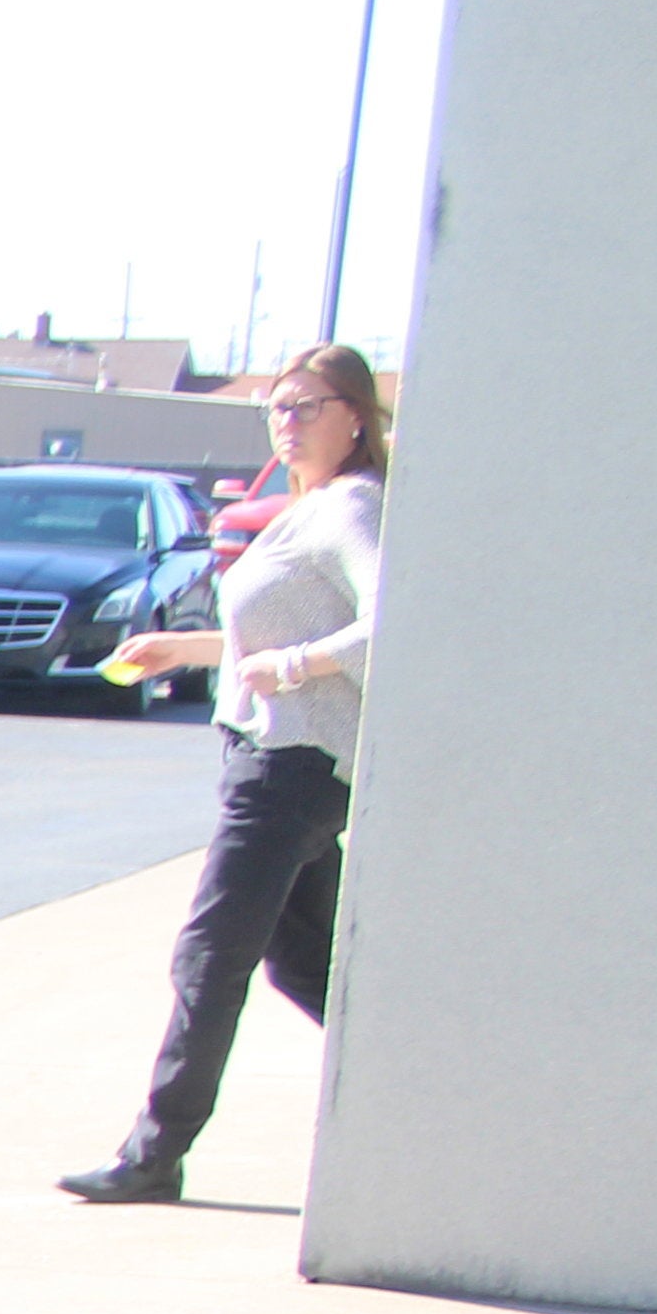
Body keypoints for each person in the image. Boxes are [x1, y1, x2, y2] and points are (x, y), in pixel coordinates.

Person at [62, 344, 387, 1203]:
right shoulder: (306, 507)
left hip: (291, 771)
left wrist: (297, 667)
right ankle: (433, 1081)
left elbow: (391, 621)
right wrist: (188, 649)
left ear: (356, 417)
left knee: (210, 957)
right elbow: (273, 633)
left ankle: (153, 1155)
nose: (288, 423)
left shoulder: (352, 507)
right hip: (276, 764)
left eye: (309, 406)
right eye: (278, 407)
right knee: (306, 964)